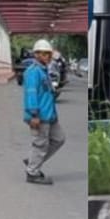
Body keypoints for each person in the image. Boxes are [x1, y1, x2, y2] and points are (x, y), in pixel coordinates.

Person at [22, 39, 65, 184]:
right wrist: (34, 115)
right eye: (44, 53)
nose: (47, 56)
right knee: (40, 144)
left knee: (59, 139)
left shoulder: (44, 70)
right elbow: (31, 94)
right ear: (36, 54)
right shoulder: (33, 72)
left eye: (48, 54)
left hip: (49, 115)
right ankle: (32, 173)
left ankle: (33, 160)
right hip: (39, 115)